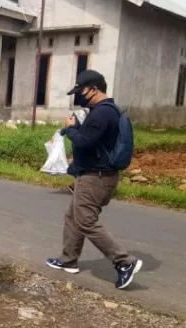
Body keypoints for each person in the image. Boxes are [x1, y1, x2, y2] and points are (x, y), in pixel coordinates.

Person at [46, 70, 142, 290]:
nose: (79, 95)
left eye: (81, 91)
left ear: (94, 89)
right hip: (91, 174)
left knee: (86, 220)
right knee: (73, 216)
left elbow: (85, 142)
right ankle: (68, 259)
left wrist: (71, 129)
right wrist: (74, 129)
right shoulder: (103, 112)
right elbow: (93, 140)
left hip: (97, 177)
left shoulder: (102, 113)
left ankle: (124, 262)